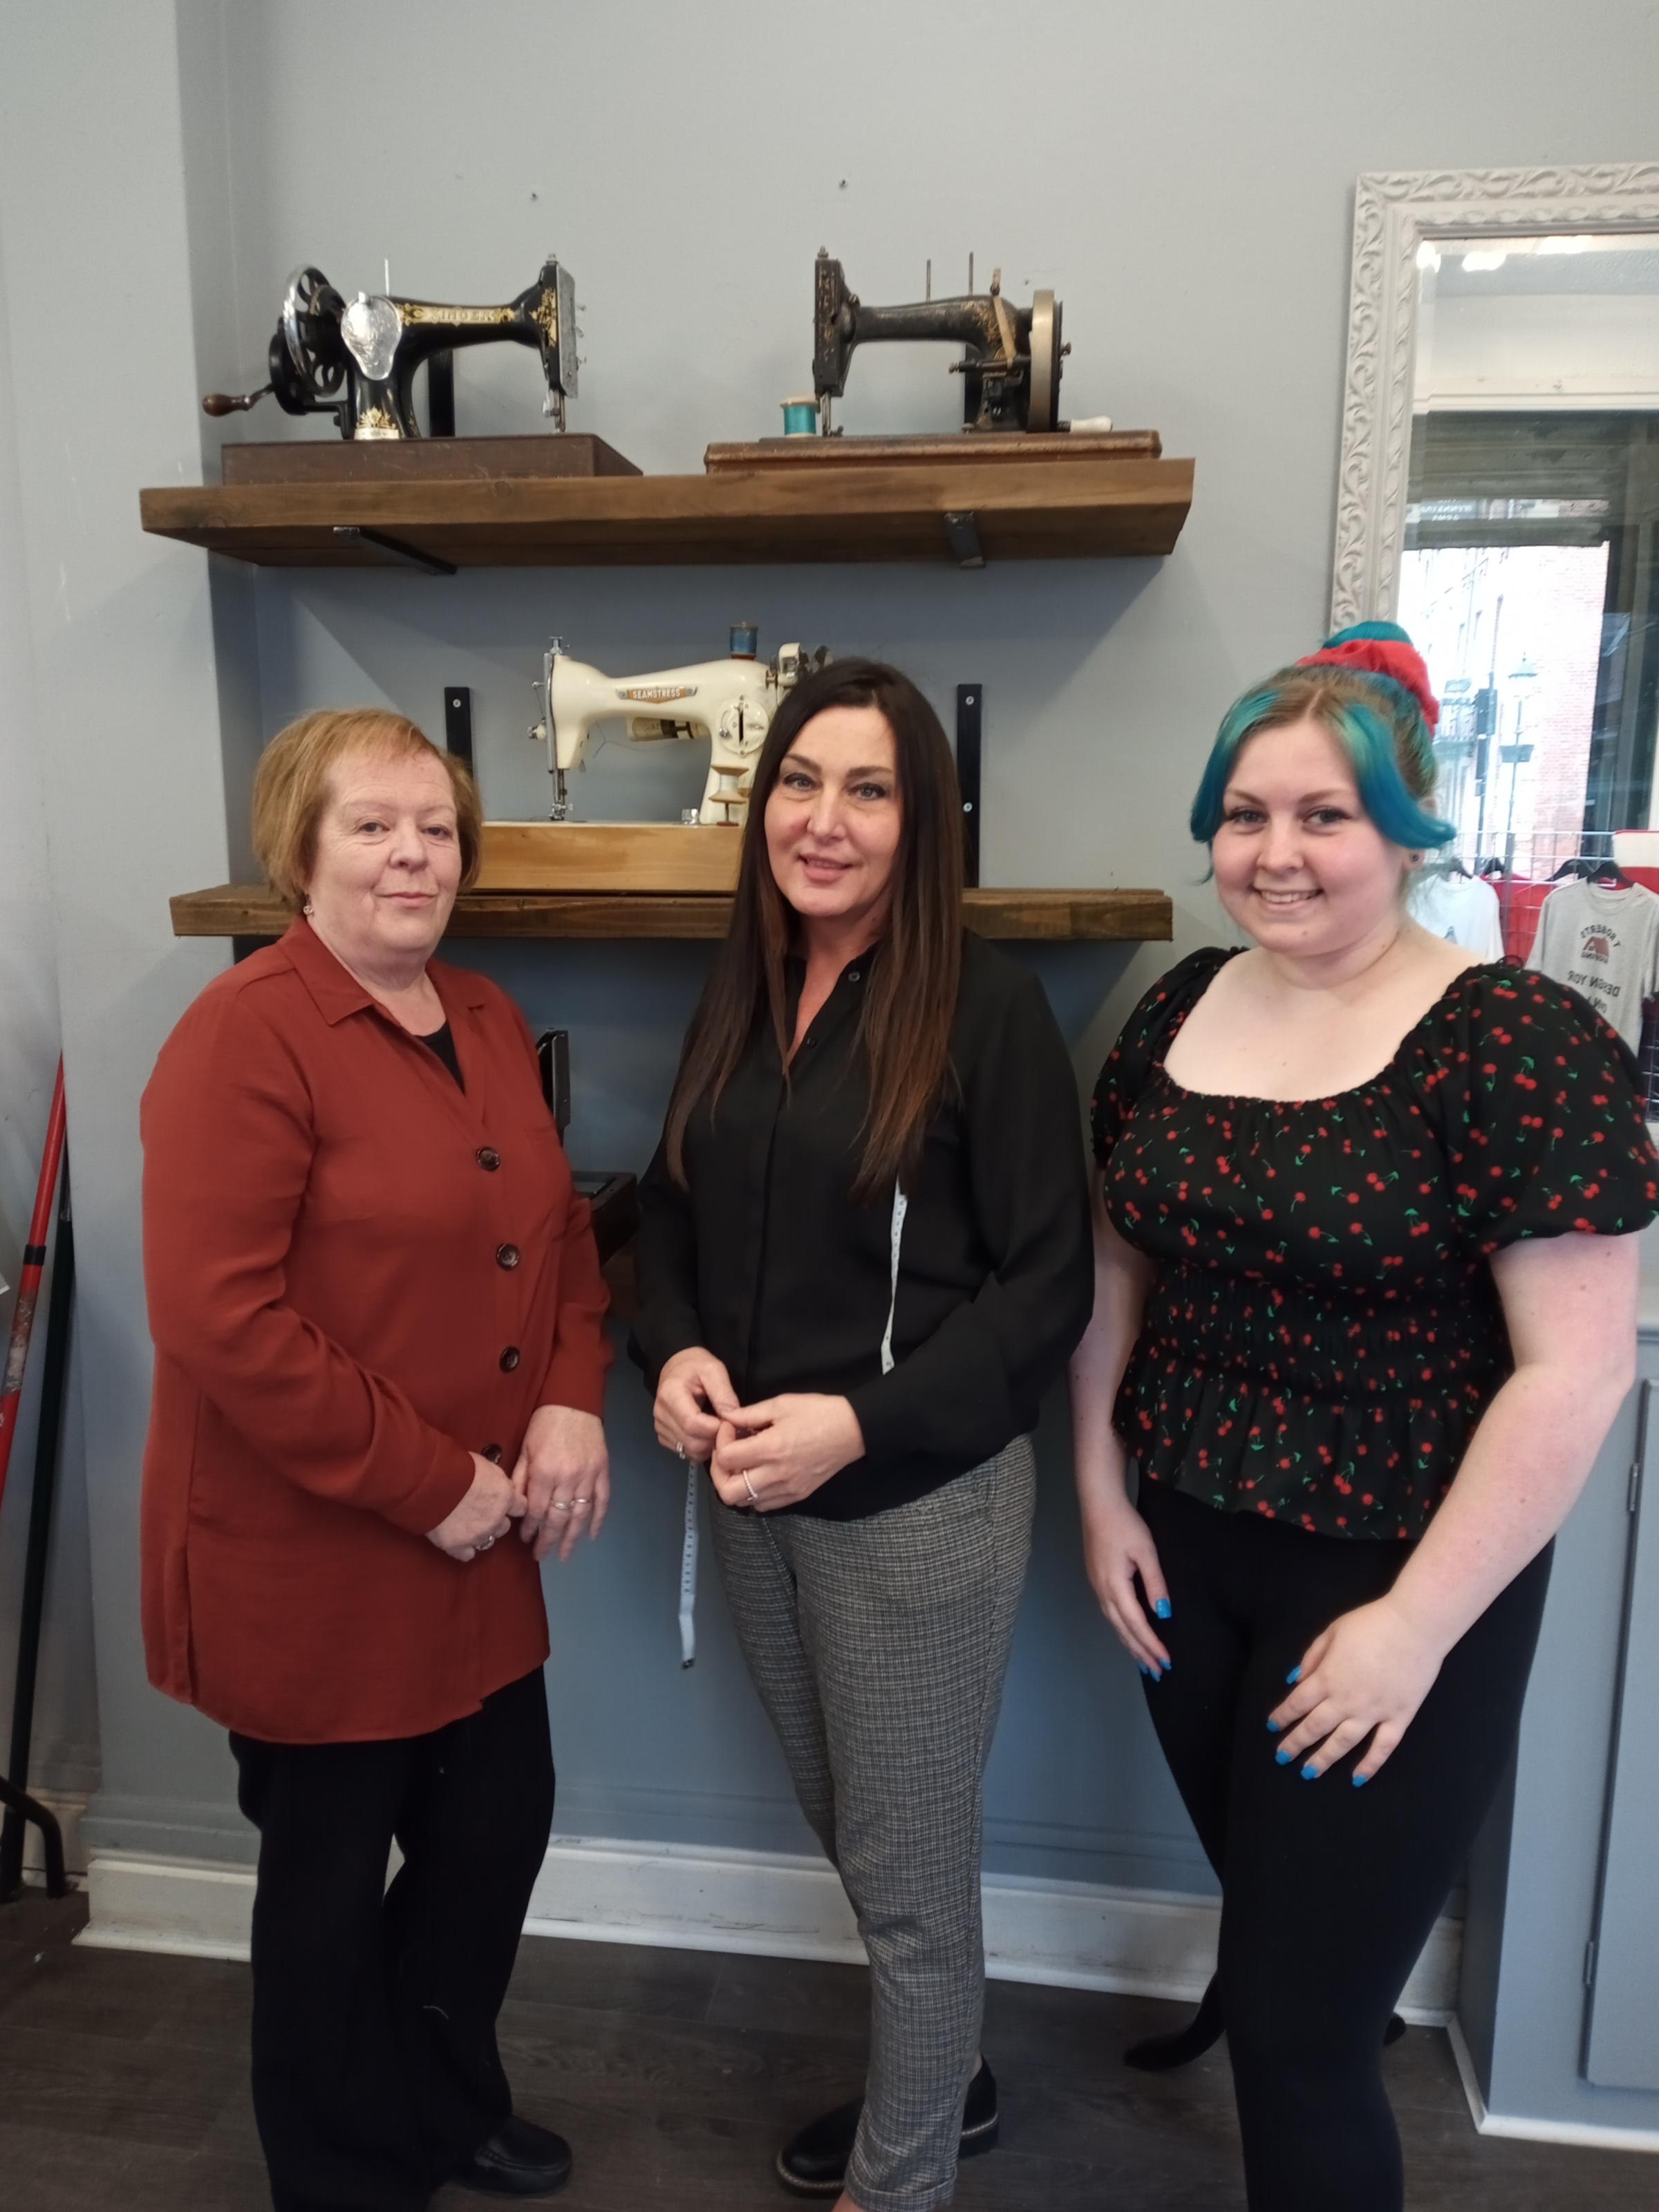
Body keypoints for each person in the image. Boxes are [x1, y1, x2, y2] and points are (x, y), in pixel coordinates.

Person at [1069, 622, 1659, 2212]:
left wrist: (1412, 1627)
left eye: (1325, 814)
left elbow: (1579, 1370)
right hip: (1186, 1546)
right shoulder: (1179, 1007)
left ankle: (1289, 2003)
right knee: (1281, 1918)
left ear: (1406, 829)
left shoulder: (1515, 1042)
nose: (1279, 852)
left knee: (1301, 2034)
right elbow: (1116, 1257)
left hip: (1399, 1573)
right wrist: (1099, 1491)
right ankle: (1282, 1967)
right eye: (1246, 812)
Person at [632, 659, 1093, 2212]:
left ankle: (900, 2184)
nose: (823, 821)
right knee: (861, 1828)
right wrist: (675, 1343)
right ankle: (941, 2080)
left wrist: (862, 1423)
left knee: (905, 1880)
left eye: (870, 788)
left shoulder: (987, 1004)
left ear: (925, 819)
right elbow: (665, 1204)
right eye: (799, 782)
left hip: (917, 1508)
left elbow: (1050, 1289)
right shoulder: (750, 983)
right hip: (753, 1491)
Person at [140, 709, 611, 2211]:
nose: (415, 855)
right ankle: (343, 2173)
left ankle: (443, 2099)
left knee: (493, 1839)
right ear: (300, 848)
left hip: (484, 1553)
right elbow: (223, 1317)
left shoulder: (478, 1012)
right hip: (321, 1561)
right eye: (374, 825)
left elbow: (562, 1238)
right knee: (329, 1898)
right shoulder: (246, 1032)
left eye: (438, 829)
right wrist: (434, 1482)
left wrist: (573, 1397)